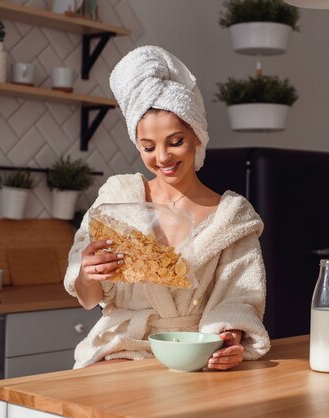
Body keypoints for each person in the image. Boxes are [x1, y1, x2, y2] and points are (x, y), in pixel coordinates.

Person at [63, 45, 269, 370]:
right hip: (120, 352)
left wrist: (230, 337)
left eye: (175, 142)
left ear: (197, 136)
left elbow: (239, 299)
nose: (162, 158)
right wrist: (87, 272)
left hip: (195, 355)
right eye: (148, 147)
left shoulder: (231, 217)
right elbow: (89, 298)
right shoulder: (119, 198)